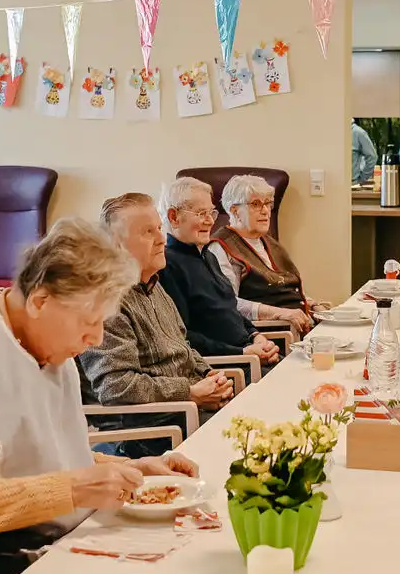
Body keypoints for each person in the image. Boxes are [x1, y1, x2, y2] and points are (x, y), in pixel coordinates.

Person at [0, 217, 197, 539]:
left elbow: (45, 457)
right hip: (11, 558)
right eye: (89, 322)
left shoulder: (41, 344)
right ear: (40, 301)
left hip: (65, 531)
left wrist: (132, 468)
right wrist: (73, 489)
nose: (97, 338)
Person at [81, 193, 236, 426]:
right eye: (147, 232)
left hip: (188, 411)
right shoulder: (108, 301)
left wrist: (208, 375)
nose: (162, 239)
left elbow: (183, 347)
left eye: (159, 228)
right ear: (115, 243)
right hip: (154, 429)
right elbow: (115, 386)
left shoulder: (154, 285)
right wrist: (190, 392)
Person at [158, 176, 281, 366]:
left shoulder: (209, 257)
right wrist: (243, 352)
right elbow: (182, 336)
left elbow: (229, 309)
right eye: (201, 213)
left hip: (249, 354)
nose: (209, 221)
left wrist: (256, 336)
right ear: (174, 217)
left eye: (211, 213)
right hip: (226, 366)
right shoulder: (167, 266)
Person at [207, 174, 313, 336]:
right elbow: (228, 303)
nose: (265, 211)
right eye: (256, 204)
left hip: (300, 327)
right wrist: (279, 313)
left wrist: (312, 305)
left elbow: (284, 287)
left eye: (267, 204)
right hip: (271, 336)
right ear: (235, 211)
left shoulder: (268, 241)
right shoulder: (221, 247)